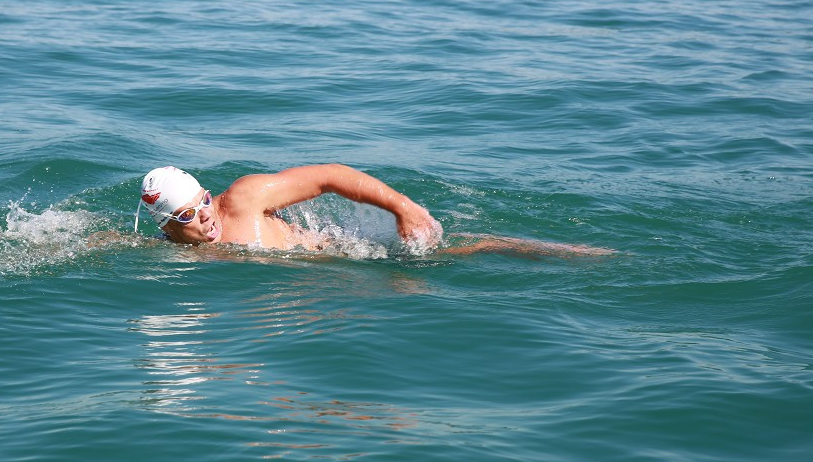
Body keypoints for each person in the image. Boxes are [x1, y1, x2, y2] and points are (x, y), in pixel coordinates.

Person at [134, 164, 614, 258]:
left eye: (201, 203)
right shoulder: (168, 252)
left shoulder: (244, 197)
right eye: (186, 219)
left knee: (467, 252)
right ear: (167, 229)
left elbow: (329, 176)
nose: (204, 218)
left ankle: (567, 252)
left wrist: (403, 208)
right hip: (324, 281)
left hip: (351, 254)